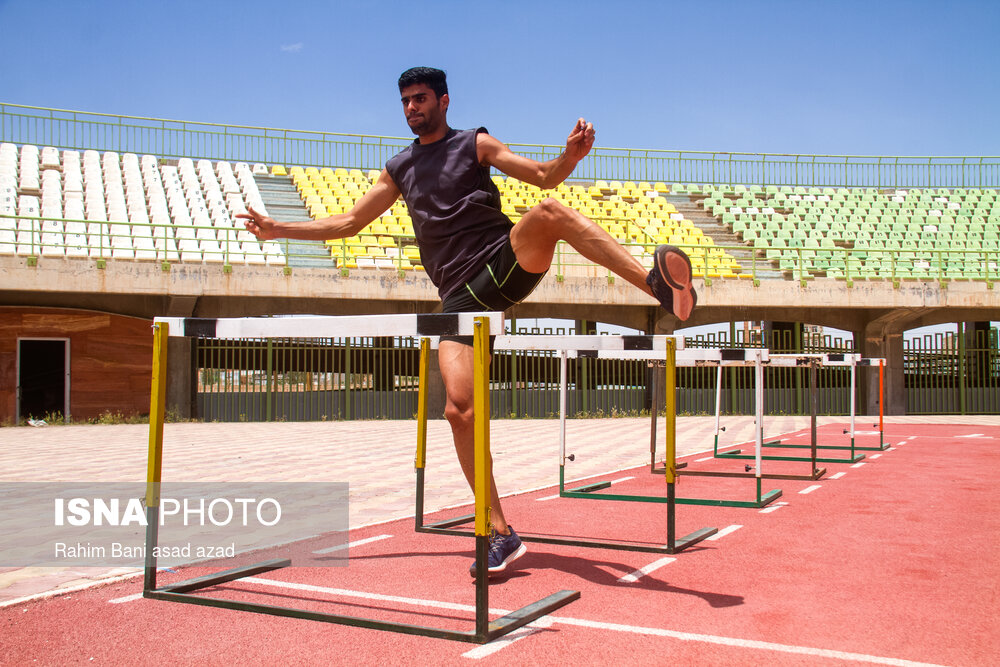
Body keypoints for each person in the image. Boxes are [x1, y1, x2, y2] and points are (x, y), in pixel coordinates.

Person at [239, 66, 697, 578]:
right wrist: (278, 227)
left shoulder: (474, 144)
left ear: (444, 100)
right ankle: (501, 532)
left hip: (502, 261)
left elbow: (542, 176)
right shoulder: (398, 168)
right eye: (406, 101)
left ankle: (655, 285)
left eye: (420, 99)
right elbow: (348, 223)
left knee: (548, 209)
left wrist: (569, 156)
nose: (412, 107)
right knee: (459, 411)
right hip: (458, 298)